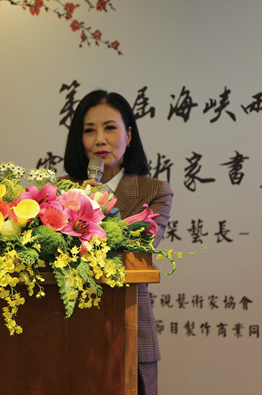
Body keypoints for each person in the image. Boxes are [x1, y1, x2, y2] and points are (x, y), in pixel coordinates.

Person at [61, 89, 173, 395]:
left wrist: (98, 205)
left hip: (129, 330)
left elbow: (138, 250)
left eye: (110, 128)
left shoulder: (155, 191)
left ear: (129, 135)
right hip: (66, 331)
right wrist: (77, 201)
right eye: (89, 130)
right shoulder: (61, 190)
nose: (100, 140)